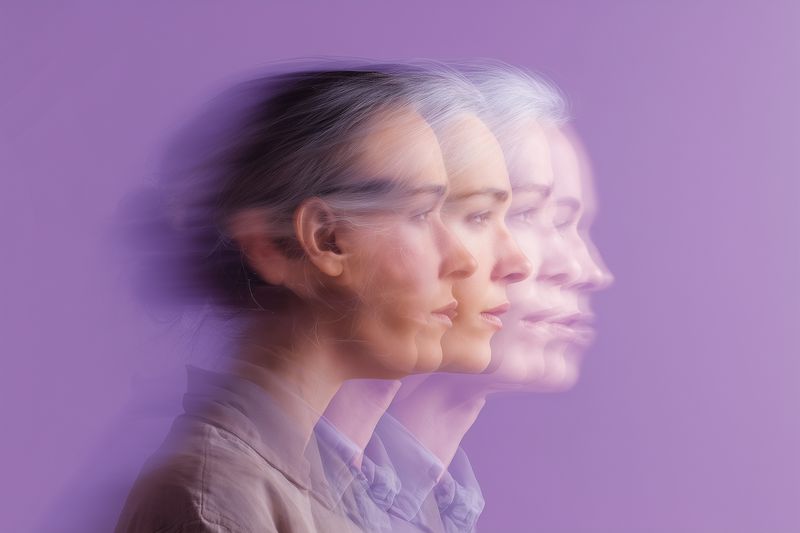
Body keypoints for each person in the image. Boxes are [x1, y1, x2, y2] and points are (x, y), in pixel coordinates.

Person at [114, 66, 477, 533]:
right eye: (422, 213)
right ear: (324, 238)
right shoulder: (222, 498)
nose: (463, 259)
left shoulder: (320, 492)